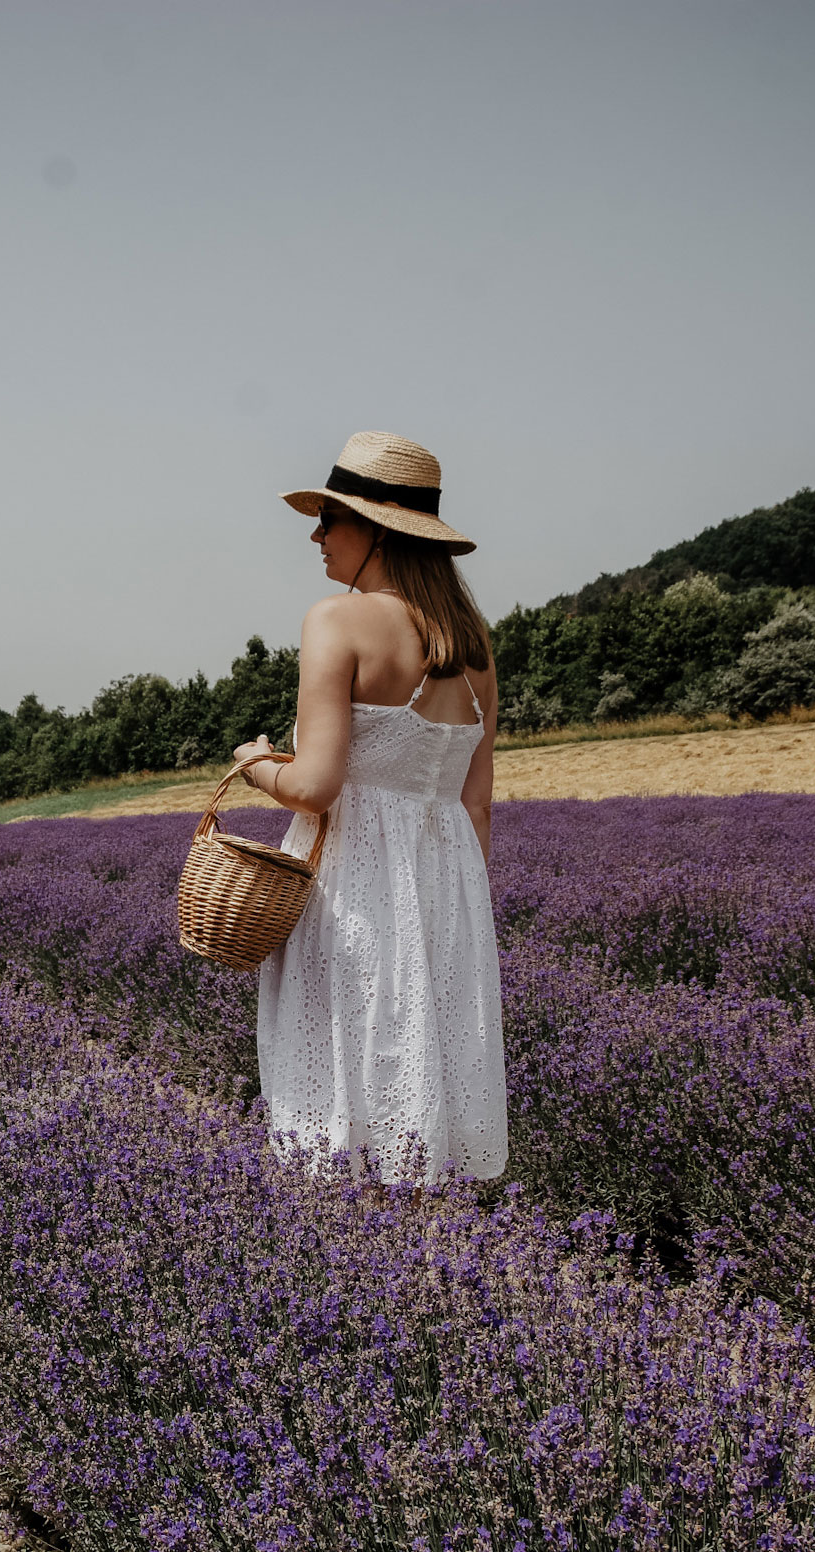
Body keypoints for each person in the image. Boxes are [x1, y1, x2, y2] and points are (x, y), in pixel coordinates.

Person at [235, 429, 508, 1185]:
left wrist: (256, 765)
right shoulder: (473, 644)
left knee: (341, 1063)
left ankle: (350, 1257)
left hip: (351, 881)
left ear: (377, 528)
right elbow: (476, 803)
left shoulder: (336, 620)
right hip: (446, 886)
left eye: (332, 519)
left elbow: (316, 787)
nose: (317, 535)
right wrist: (444, 904)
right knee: (421, 1062)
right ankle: (419, 1254)